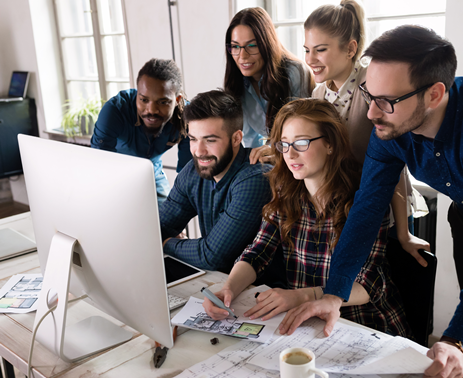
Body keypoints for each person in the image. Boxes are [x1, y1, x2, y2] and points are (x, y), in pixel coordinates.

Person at [279, 25, 463, 378]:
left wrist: (458, 339)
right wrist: (334, 293)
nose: (373, 112)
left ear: (434, 93)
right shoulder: (389, 126)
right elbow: (366, 208)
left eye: (387, 100)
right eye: (369, 95)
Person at [202, 98, 411, 339]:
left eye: (301, 143)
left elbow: (369, 283)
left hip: (364, 324)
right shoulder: (286, 192)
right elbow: (257, 252)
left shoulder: (364, 199)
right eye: (284, 144)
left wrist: (302, 295)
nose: (289, 154)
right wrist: (228, 289)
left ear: (331, 144)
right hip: (307, 322)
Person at [304, 0, 430, 266]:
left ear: (350, 48)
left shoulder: (373, 85)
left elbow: (392, 165)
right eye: (307, 50)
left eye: (320, 50)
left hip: (385, 204)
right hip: (346, 209)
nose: (310, 60)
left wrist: (404, 234)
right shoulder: (318, 94)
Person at [159, 89, 273, 274]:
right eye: (193, 139)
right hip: (217, 284)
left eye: (210, 140)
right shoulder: (193, 171)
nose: (199, 151)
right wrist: (163, 239)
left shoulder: (255, 178)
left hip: (261, 292)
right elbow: (159, 227)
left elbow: (212, 257)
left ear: (236, 138)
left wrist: (166, 244)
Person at [91, 58, 191, 204]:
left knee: (169, 219)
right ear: (137, 94)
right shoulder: (115, 111)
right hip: (116, 175)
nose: (151, 110)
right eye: (144, 100)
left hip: (152, 171)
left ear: (177, 100)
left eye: (163, 102)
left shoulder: (187, 117)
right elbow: (100, 163)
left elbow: (187, 175)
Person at [224, 7, 314, 157]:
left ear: (267, 44)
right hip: (273, 158)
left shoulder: (294, 73)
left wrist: (273, 150)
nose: (242, 56)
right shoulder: (236, 83)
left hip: (301, 156)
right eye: (235, 47)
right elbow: (251, 140)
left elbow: (303, 132)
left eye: (251, 45)